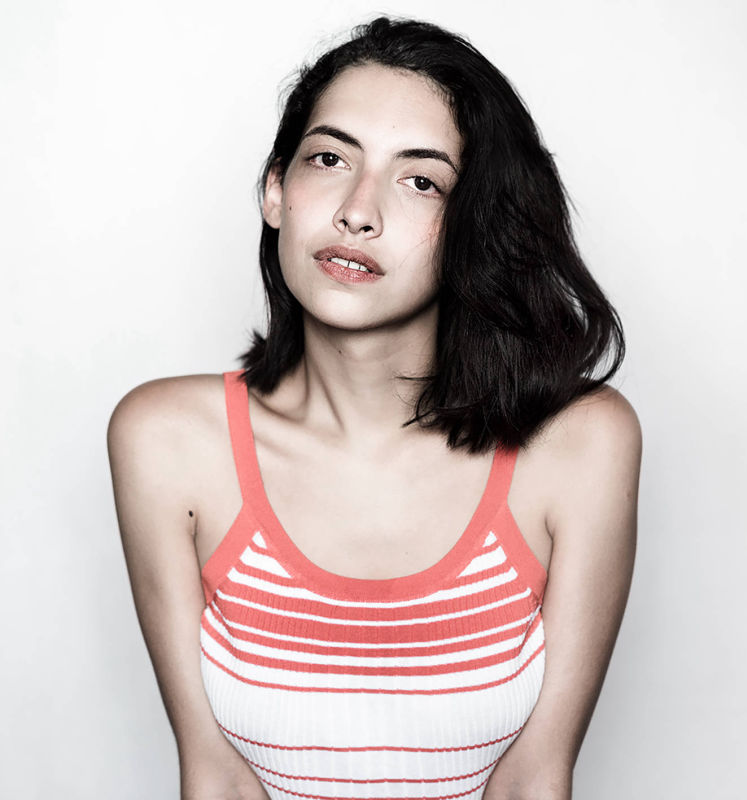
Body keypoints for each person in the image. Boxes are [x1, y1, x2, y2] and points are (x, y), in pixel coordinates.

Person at [107, 16, 641, 800]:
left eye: (421, 180)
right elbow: (214, 774)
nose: (359, 211)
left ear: (475, 226)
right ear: (276, 190)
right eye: (330, 158)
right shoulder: (167, 441)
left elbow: (534, 776)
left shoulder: (579, 443)